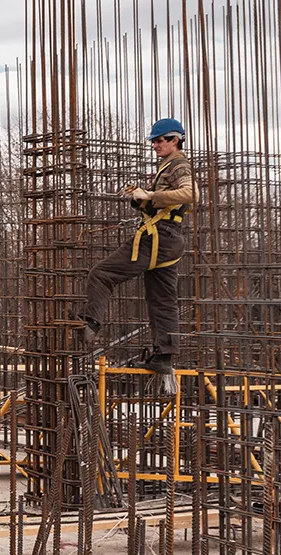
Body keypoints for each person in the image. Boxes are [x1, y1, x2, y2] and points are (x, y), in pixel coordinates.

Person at [79, 118, 199, 376]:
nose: (154, 145)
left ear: (174, 139)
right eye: (153, 141)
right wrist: (140, 200)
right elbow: (168, 205)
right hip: (170, 240)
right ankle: (163, 357)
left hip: (157, 237)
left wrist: (152, 196)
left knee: (101, 274)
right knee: (163, 300)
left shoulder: (178, 163)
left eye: (159, 140)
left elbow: (190, 194)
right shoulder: (167, 165)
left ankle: (90, 324)